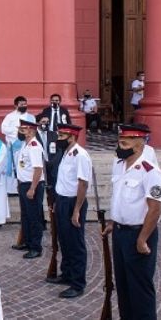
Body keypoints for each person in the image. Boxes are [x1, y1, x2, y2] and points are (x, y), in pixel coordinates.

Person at [102, 123, 161, 320]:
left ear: (138, 146)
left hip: (139, 233)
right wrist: (113, 221)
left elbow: (155, 208)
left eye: (124, 143)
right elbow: (118, 196)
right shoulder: (119, 165)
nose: (119, 146)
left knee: (140, 288)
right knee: (123, 285)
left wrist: (143, 238)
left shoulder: (150, 171)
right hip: (120, 232)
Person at [49, 124, 92, 299]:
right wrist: (56, 202)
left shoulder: (80, 155)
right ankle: (66, 274)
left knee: (75, 244)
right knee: (64, 240)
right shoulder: (66, 153)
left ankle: (77, 283)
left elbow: (83, 184)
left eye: (62, 136)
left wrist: (76, 210)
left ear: (72, 137)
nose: (58, 139)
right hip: (62, 200)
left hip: (74, 203)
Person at [14, 118, 46, 259]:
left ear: (31, 131)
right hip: (24, 183)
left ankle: (36, 247)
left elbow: (38, 169)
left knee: (34, 217)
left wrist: (32, 188)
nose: (20, 132)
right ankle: (27, 242)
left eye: (23, 130)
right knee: (26, 215)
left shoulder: (34, 146)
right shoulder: (25, 144)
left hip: (33, 184)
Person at [1, 96, 35, 196]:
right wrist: (18, 131)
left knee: (24, 166)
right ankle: (12, 190)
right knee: (12, 167)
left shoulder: (31, 117)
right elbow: (4, 129)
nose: (24, 106)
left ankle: (23, 187)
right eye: (21, 104)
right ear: (16, 105)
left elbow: (33, 131)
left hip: (26, 146)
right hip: (14, 146)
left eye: (25, 104)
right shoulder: (10, 117)